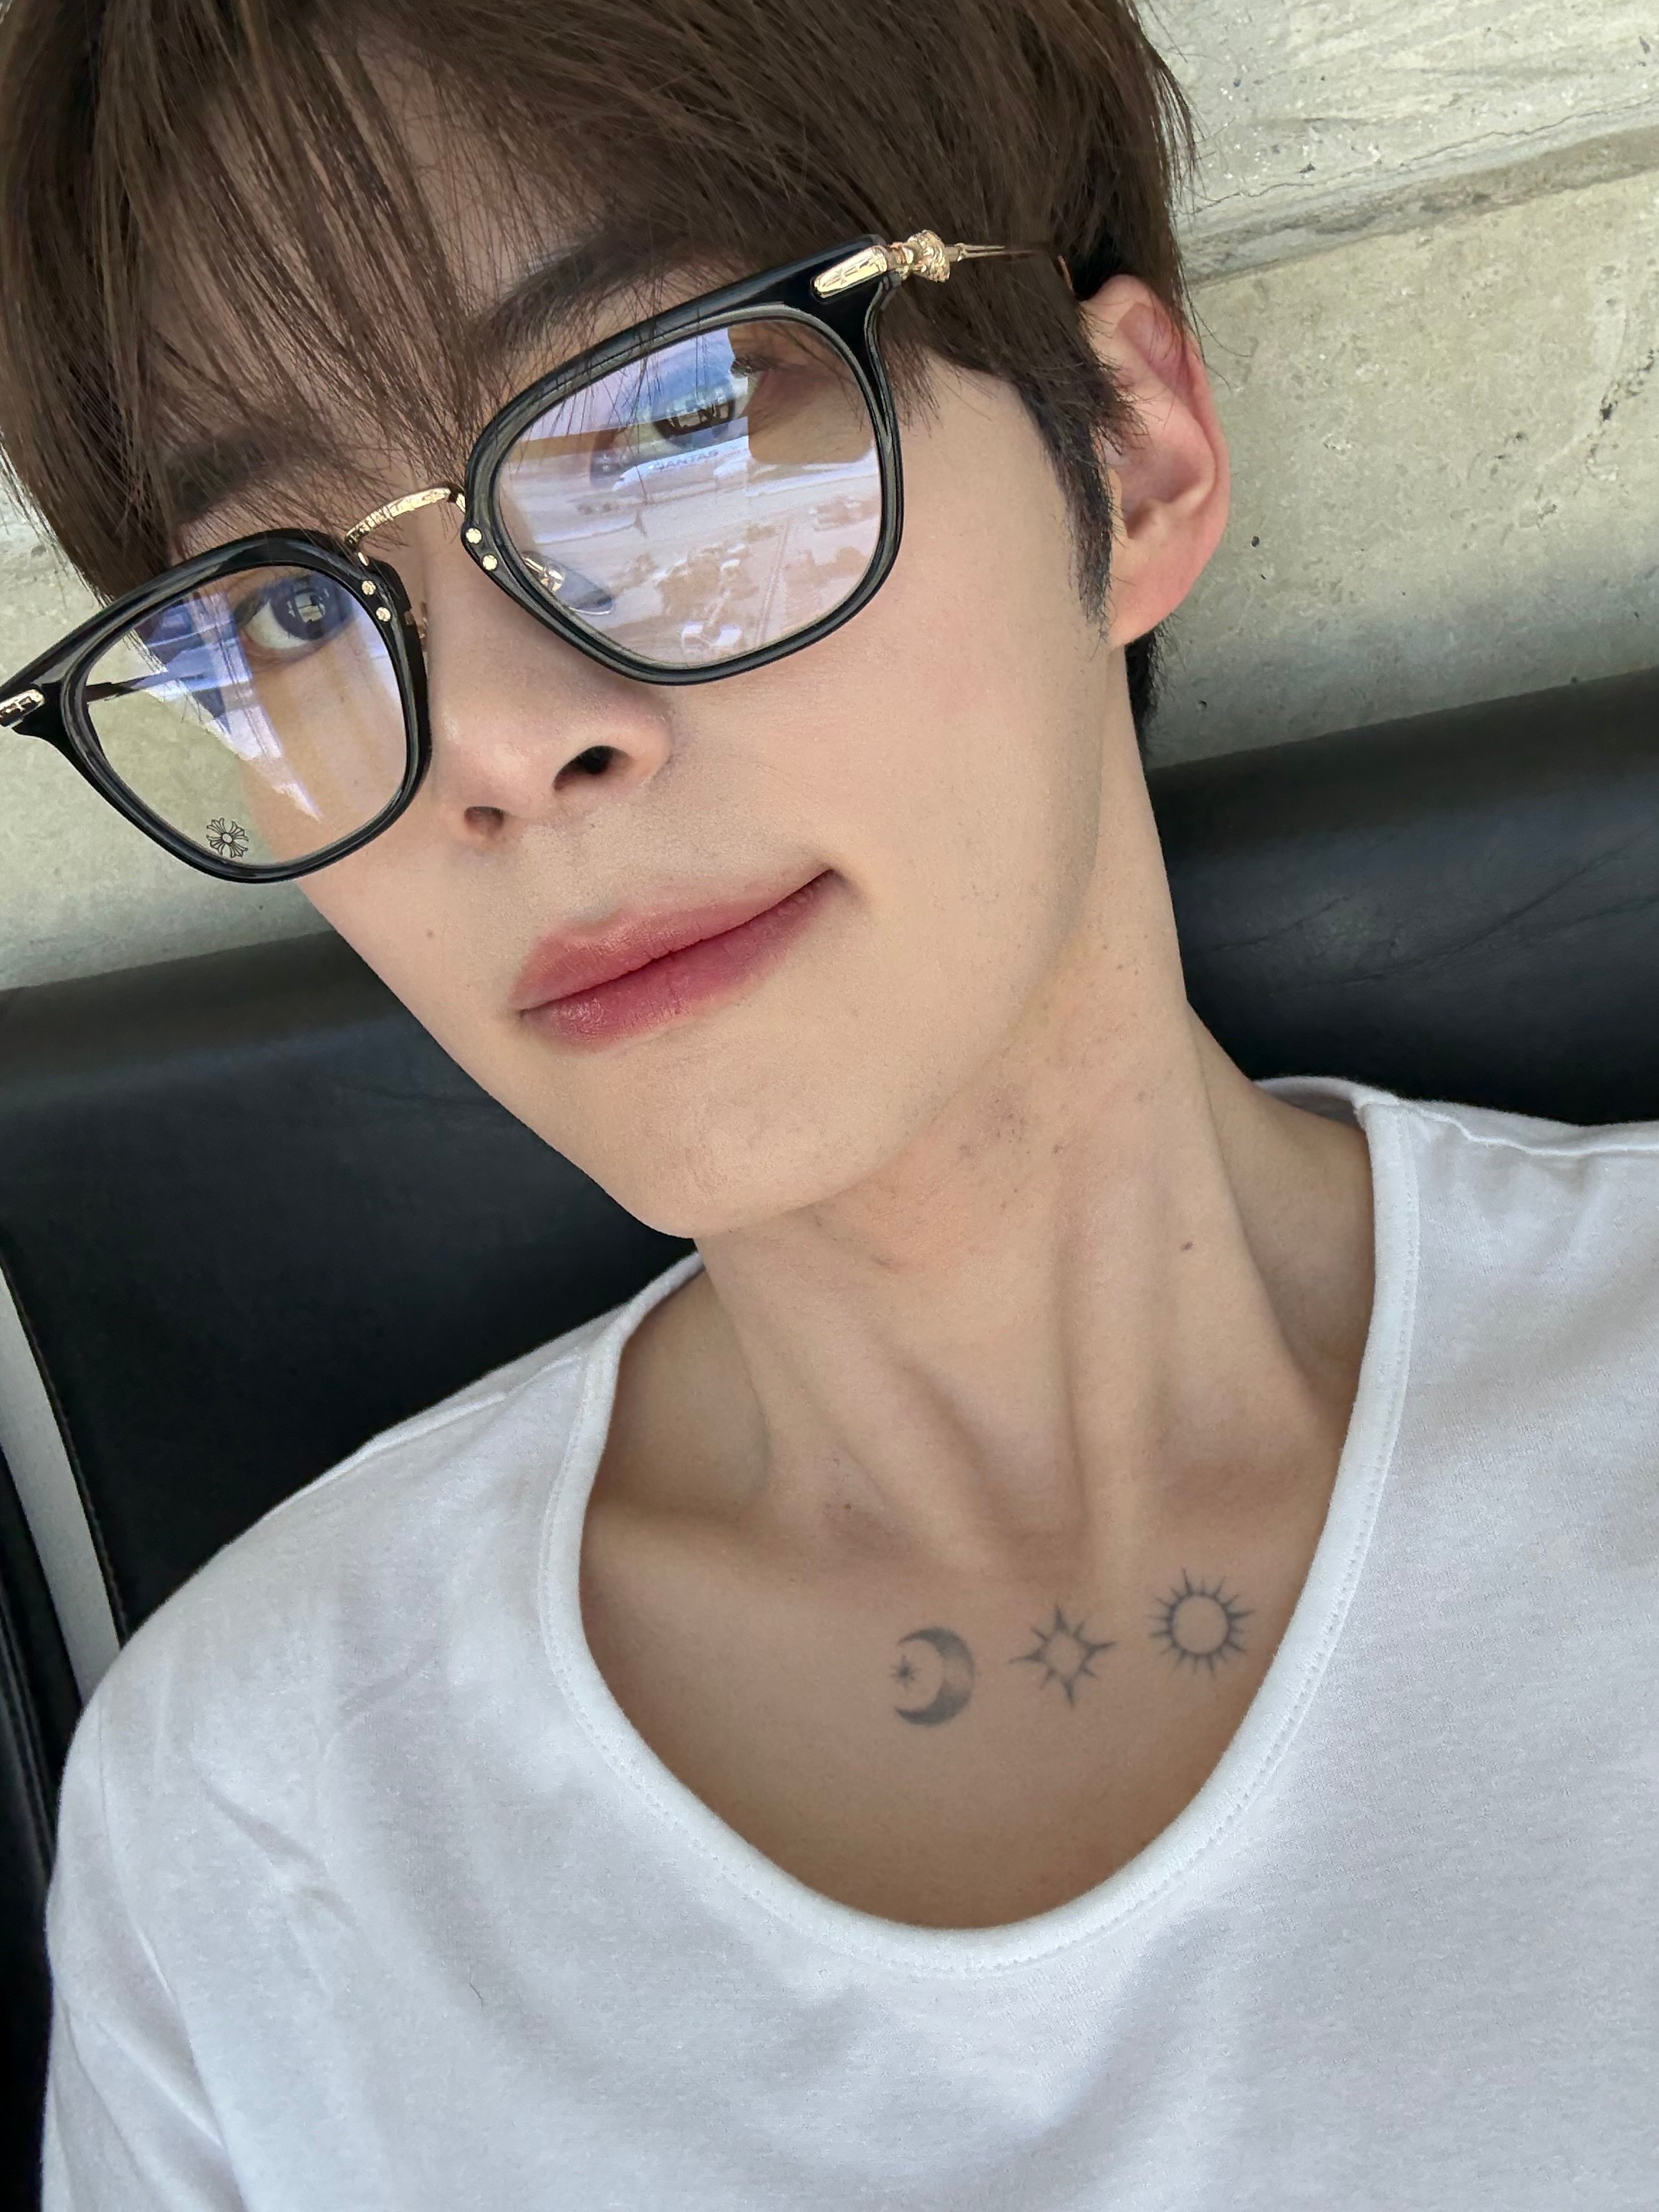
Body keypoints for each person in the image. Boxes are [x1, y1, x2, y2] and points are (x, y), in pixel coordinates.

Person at [1, 0, 1653, 2204]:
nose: (496, 740)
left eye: (677, 421)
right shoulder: (248, 1820)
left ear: (1129, 458)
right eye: (283, 612)